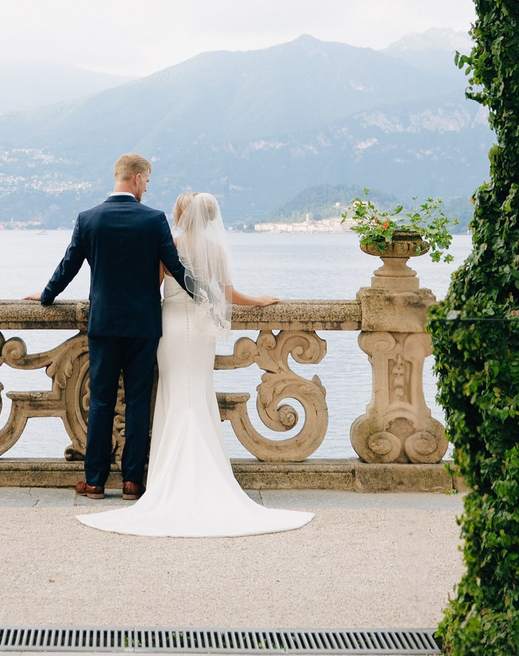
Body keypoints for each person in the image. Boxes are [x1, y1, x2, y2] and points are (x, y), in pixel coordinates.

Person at [77, 191, 311, 537]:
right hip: (201, 329)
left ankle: (161, 474)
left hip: (170, 325)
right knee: (197, 392)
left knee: (172, 392)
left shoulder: (168, 242)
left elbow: (150, 287)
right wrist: (260, 300)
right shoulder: (215, 250)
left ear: (181, 214)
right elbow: (230, 294)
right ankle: (203, 469)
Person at [30, 153, 193, 498]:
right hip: (144, 325)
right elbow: (175, 267)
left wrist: (46, 296)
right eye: (146, 182)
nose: (146, 189)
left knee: (101, 401)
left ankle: (94, 482)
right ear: (135, 178)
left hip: (103, 324)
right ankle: (133, 481)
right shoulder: (153, 220)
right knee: (137, 401)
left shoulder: (88, 219)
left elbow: (68, 266)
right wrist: (204, 294)